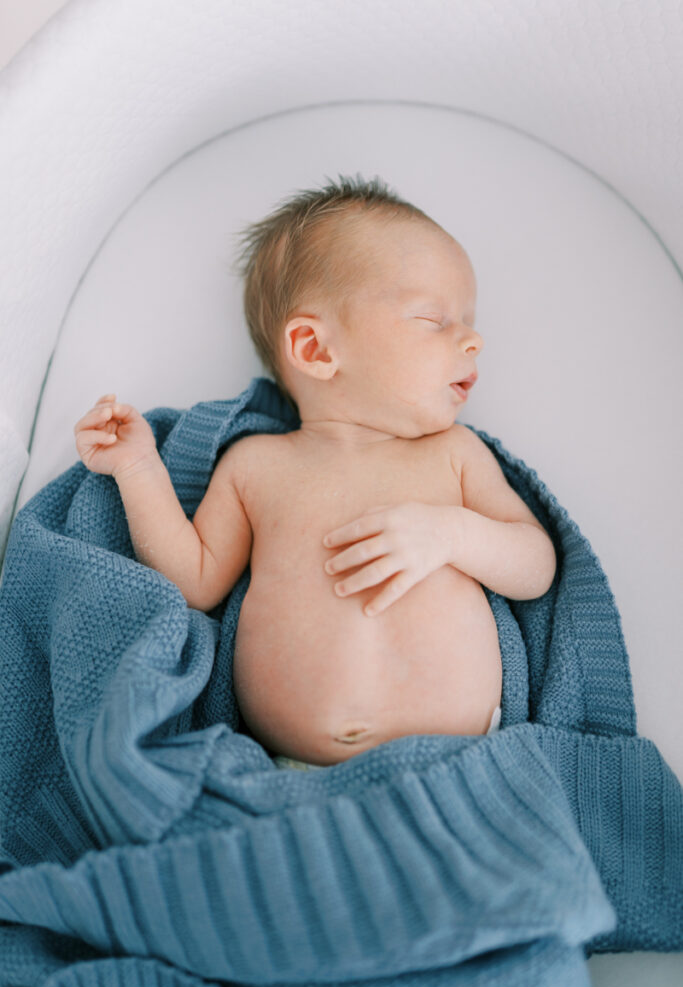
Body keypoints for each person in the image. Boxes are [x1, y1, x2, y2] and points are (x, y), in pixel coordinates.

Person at [73, 174, 556, 769]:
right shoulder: (256, 466)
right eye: (435, 319)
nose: (474, 339)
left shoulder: (453, 454)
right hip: (292, 779)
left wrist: (453, 534)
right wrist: (139, 468)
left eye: (469, 320)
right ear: (316, 349)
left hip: (457, 768)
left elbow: (535, 565)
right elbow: (194, 583)